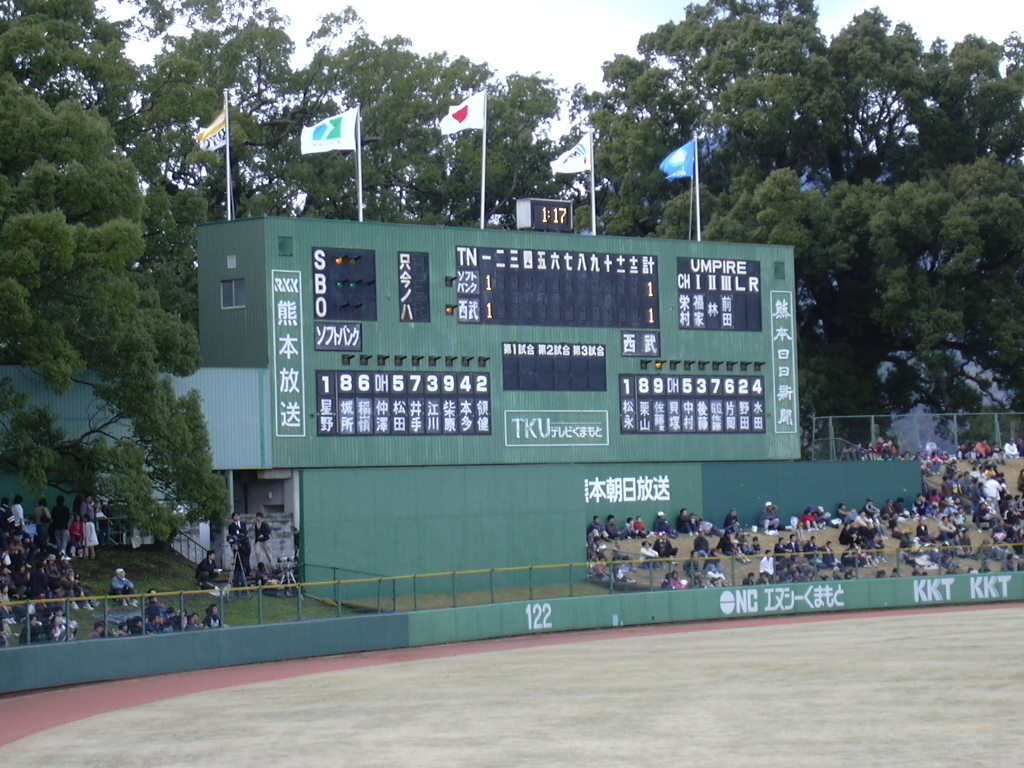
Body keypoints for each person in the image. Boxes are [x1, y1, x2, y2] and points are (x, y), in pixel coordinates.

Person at [228, 512, 252, 579]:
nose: (236, 517)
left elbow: (245, 532)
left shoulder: (243, 524)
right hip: (236, 543)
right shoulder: (231, 526)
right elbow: (231, 535)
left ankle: (247, 571)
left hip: (243, 542)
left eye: (237, 516)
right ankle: (237, 573)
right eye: (235, 516)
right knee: (237, 557)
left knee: (245, 556)